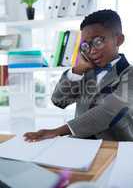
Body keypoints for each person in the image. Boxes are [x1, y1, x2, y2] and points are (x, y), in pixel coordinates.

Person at [24, 9, 133, 142]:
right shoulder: (86, 72)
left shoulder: (129, 74)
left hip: (116, 148)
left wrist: (58, 131)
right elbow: (59, 101)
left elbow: (108, 111)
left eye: (98, 42)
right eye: (86, 45)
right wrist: (77, 71)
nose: (92, 51)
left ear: (119, 40)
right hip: (80, 146)